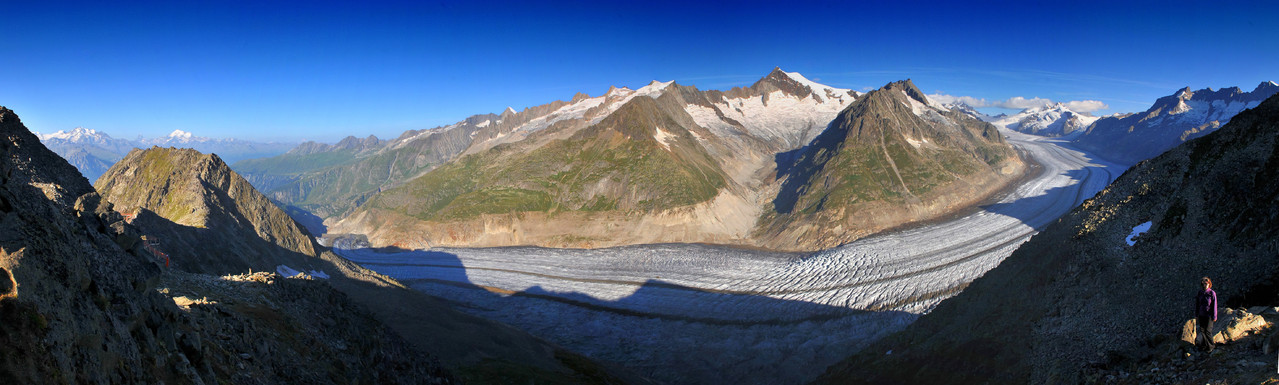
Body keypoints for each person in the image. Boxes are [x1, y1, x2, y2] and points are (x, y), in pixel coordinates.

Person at [1196, 277, 1218, 352]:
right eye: (1203, 283)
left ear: (1209, 284)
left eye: (1206, 283)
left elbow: (1214, 305)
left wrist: (1214, 316)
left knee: (1208, 331)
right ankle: (1205, 345)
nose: (1204, 285)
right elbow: (1197, 304)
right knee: (1202, 330)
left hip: (1209, 315)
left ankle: (1211, 346)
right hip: (1201, 314)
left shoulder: (1212, 293)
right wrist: (1196, 314)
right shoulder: (1200, 292)